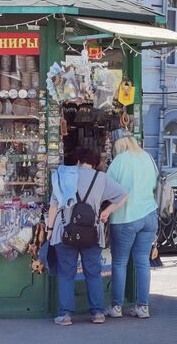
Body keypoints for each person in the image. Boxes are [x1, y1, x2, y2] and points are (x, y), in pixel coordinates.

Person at [47, 148, 128, 326]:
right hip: (92, 232)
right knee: (93, 273)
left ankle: (65, 315)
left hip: (65, 231)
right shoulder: (102, 178)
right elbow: (123, 195)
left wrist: (50, 229)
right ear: (95, 163)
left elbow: (53, 206)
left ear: (77, 161)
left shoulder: (63, 175)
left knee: (66, 274)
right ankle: (98, 313)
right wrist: (106, 212)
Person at [105, 129, 159, 319]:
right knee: (143, 262)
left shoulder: (119, 161)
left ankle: (116, 307)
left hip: (125, 217)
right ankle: (143, 307)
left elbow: (107, 188)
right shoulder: (147, 158)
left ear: (118, 144)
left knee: (119, 262)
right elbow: (154, 184)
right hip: (149, 215)